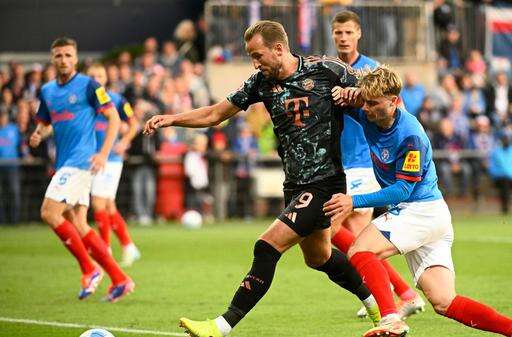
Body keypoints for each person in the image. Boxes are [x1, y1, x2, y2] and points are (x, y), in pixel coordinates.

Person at [144, 20, 380, 337]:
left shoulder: (327, 70)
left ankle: (221, 325)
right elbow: (215, 114)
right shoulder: (260, 83)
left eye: (258, 55)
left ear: (279, 49)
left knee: (266, 247)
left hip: (325, 183)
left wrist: (358, 93)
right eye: (252, 57)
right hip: (295, 184)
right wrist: (173, 118)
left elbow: (381, 94)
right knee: (319, 257)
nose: (255, 63)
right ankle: (375, 301)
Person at [324, 66, 512, 337]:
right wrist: (342, 93)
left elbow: (403, 189)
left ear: (394, 102)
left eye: (373, 103)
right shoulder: (371, 113)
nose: (366, 108)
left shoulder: (409, 135)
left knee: (360, 250)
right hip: (432, 215)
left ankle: (390, 319)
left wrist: (352, 200)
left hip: (420, 210)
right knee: (444, 302)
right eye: (365, 101)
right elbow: (347, 101)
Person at [329, 10, 424, 320]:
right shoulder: (329, 69)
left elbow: (399, 112)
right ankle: (403, 294)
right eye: (338, 32)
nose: (343, 37)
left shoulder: (370, 71)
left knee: (332, 231)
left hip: (361, 162)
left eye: (348, 32)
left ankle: (383, 298)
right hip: (338, 161)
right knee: (354, 239)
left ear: (359, 34)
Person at [29, 37, 134, 302]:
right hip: (64, 162)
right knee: (79, 222)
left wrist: (103, 152)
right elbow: (44, 122)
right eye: (58, 56)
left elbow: (113, 118)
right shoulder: (48, 91)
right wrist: (38, 134)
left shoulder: (89, 86)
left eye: (68, 55)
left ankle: (89, 270)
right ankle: (120, 279)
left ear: (75, 59)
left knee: (49, 212)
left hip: (81, 161)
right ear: (52, 59)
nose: (63, 60)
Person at [87, 64, 141, 267]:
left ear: (105, 77)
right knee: (109, 205)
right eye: (92, 75)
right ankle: (129, 247)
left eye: (99, 75)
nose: (95, 78)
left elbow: (134, 124)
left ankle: (105, 250)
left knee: (98, 203)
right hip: (91, 158)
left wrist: (125, 141)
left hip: (110, 160)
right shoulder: (85, 101)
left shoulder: (116, 99)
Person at [0, 108, 21, 224]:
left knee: (14, 192)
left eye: (4, 116)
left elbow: (21, 145)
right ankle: (2, 220)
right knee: (1, 194)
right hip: (0, 165)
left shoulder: (14, 129)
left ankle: (15, 220)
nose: (3, 119)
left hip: (13, 165)